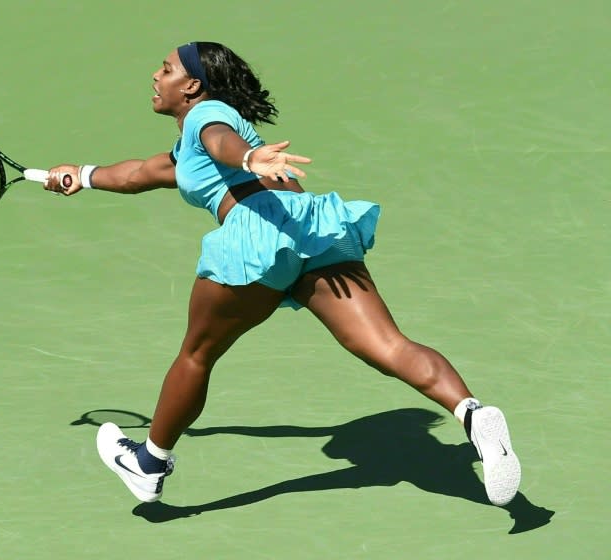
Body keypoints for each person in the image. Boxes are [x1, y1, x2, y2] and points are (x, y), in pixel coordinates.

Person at [43, 41, 521, 507]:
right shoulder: (191, 144)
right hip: (313, 231)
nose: (155, 75)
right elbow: (142, 173)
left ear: (192, 86)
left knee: (197, 355)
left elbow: (221, 142)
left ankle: (150, 463)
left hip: (260, 234)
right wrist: (80, 175)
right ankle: (472, 414)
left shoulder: (209, 118)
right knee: (389, 345)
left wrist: (248, 158)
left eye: (166, 69)